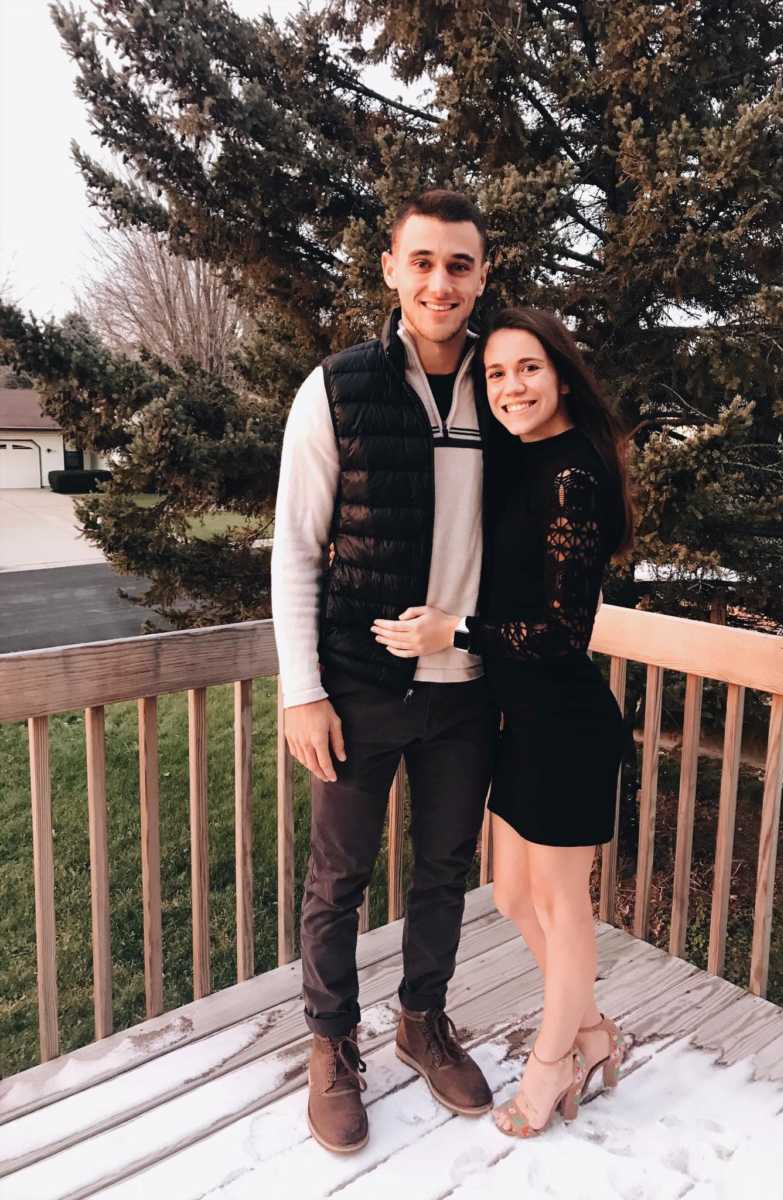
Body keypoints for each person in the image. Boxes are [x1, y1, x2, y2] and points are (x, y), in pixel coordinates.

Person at [271, 190, 501, 1155]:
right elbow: (294, 548)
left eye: (460, 264)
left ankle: (422, 1021)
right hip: (359, 688)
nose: (440, 282)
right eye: (423, 262)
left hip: (469, 689)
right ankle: (332, 1043)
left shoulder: (509, 387)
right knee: (339, 877)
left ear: (482, 276)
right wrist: (302, 689)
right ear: (391, 270)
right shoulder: (338, 386)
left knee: (446, 870)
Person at [373, 307, 635, 1139]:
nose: (511, 387)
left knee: (561, 905)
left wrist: (453, 631)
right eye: (496, 375)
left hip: (565, 725)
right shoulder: (522, 462)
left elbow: (562, 631)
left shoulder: (573, 475)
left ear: (561, 375)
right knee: (517, 893)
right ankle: (591, 1031)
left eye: (528, 369)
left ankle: (555, 1061)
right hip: (521, 720)